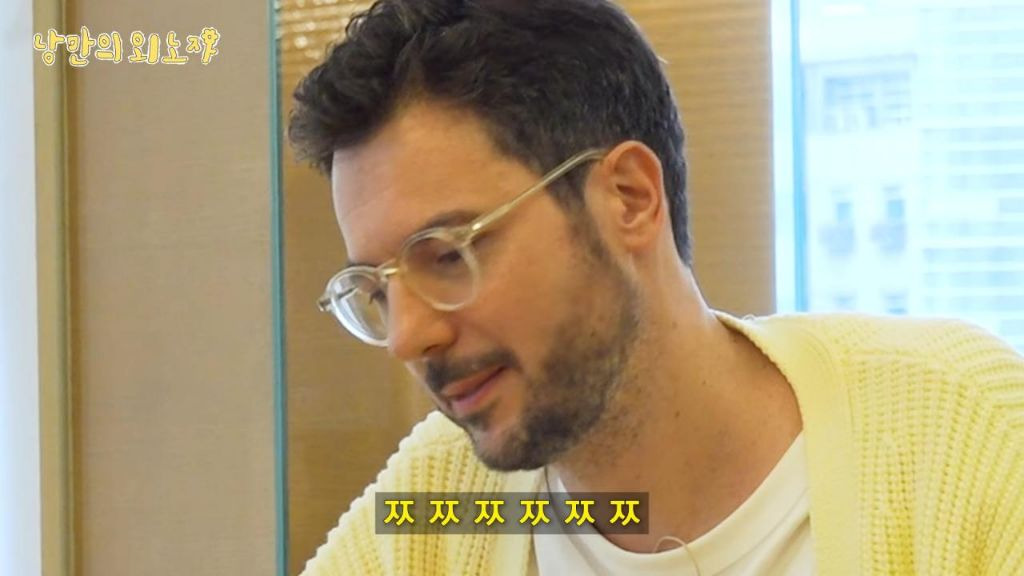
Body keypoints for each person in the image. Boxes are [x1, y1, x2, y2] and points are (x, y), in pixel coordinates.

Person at [286, 0, 1024, 574]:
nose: (408, 336)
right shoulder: (448, 508)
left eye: (448, 255)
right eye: (377, 290)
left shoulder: (958, 432)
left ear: (629, 199)